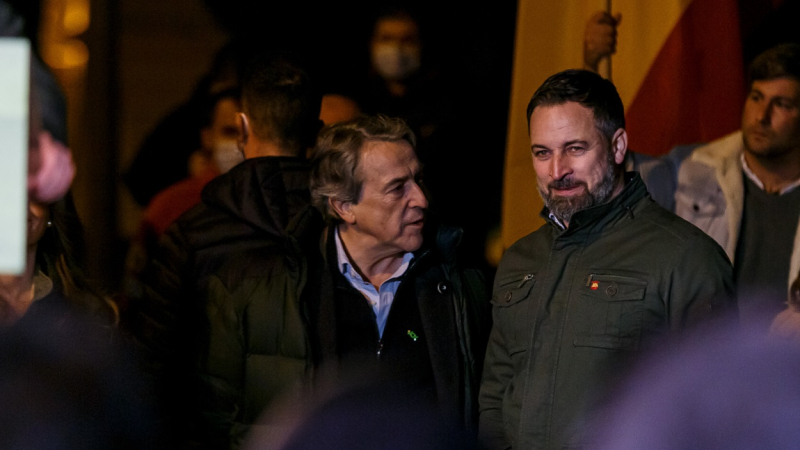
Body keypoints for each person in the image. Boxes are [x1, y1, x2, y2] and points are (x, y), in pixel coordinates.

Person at [196, 115, 490, 449]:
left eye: (418, 179)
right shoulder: (256, 290)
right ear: (344, 206)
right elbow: (214, 419)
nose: (421, 199)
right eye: (397, 188)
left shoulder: (460, 281)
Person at [478, 69, 735, 450]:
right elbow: (496, 396)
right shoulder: (519, 260)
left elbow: (718, 409)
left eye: (575, 149)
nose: (557, 171)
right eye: (542, 152)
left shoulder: (687, 257)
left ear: (617, 147)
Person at [124, 53, 322, 447]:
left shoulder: (191, 234)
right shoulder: (345, 229)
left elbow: (152, 366)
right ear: (317, 134)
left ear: (243, 128)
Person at [675, 43, 800, 330]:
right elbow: (612, 167)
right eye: (756, 98)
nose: (761, 116)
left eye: (782, 104)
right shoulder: (699, 173)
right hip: (712, 352)